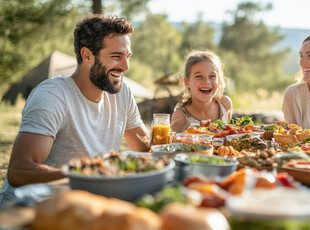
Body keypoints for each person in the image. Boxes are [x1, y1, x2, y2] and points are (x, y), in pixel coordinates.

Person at [0, 14, 151, 205]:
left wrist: (175, 142)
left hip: (82, 203)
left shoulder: (121, 93)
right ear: (87, 55)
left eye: (127, 56)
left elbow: (145, 147)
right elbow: (19, 171)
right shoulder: (53, 96)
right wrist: (88, 174)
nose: (125, 66)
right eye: (116, 56)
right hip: (29, 208)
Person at [170, 50, 232, 132]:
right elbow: (174, 144)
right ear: (187, 82)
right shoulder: (181, 116)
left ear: (219, 81)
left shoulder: (225, 104)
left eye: (212, 76)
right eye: (199, 76)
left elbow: (229, 137)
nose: (206, 81)